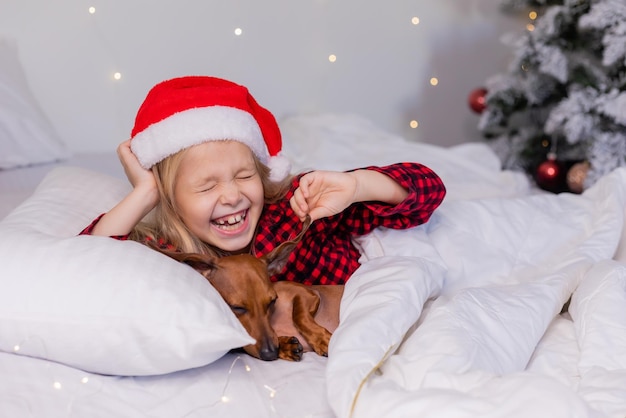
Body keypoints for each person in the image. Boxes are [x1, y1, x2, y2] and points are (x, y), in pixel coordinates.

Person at [80, 76, 446, 285]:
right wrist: (145, 193)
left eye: (244, 175)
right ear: (170, 198)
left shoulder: (295, 210)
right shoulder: (169, 250)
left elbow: (430, 191)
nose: (231, 195)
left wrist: (357, 186)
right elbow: (84, 266)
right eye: (207, 186)